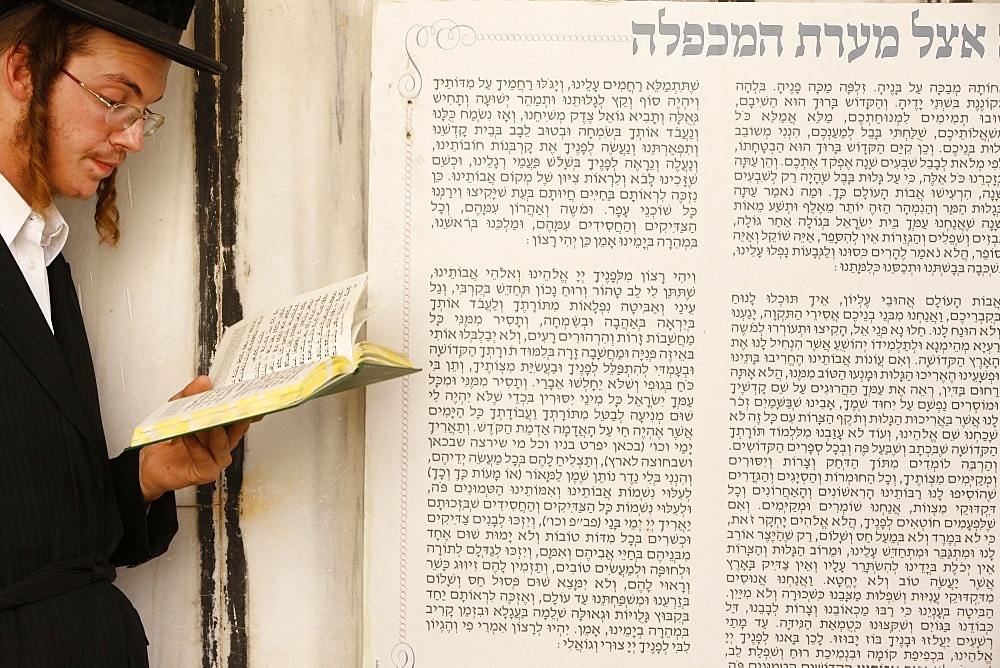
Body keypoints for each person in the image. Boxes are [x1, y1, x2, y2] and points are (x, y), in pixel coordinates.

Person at [0, 1, 250, 665]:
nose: (134, 138)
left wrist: (148, 472)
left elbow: (33, 533)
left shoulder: (39, 250)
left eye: (145, 111)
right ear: (22, 69)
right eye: (116, 99)